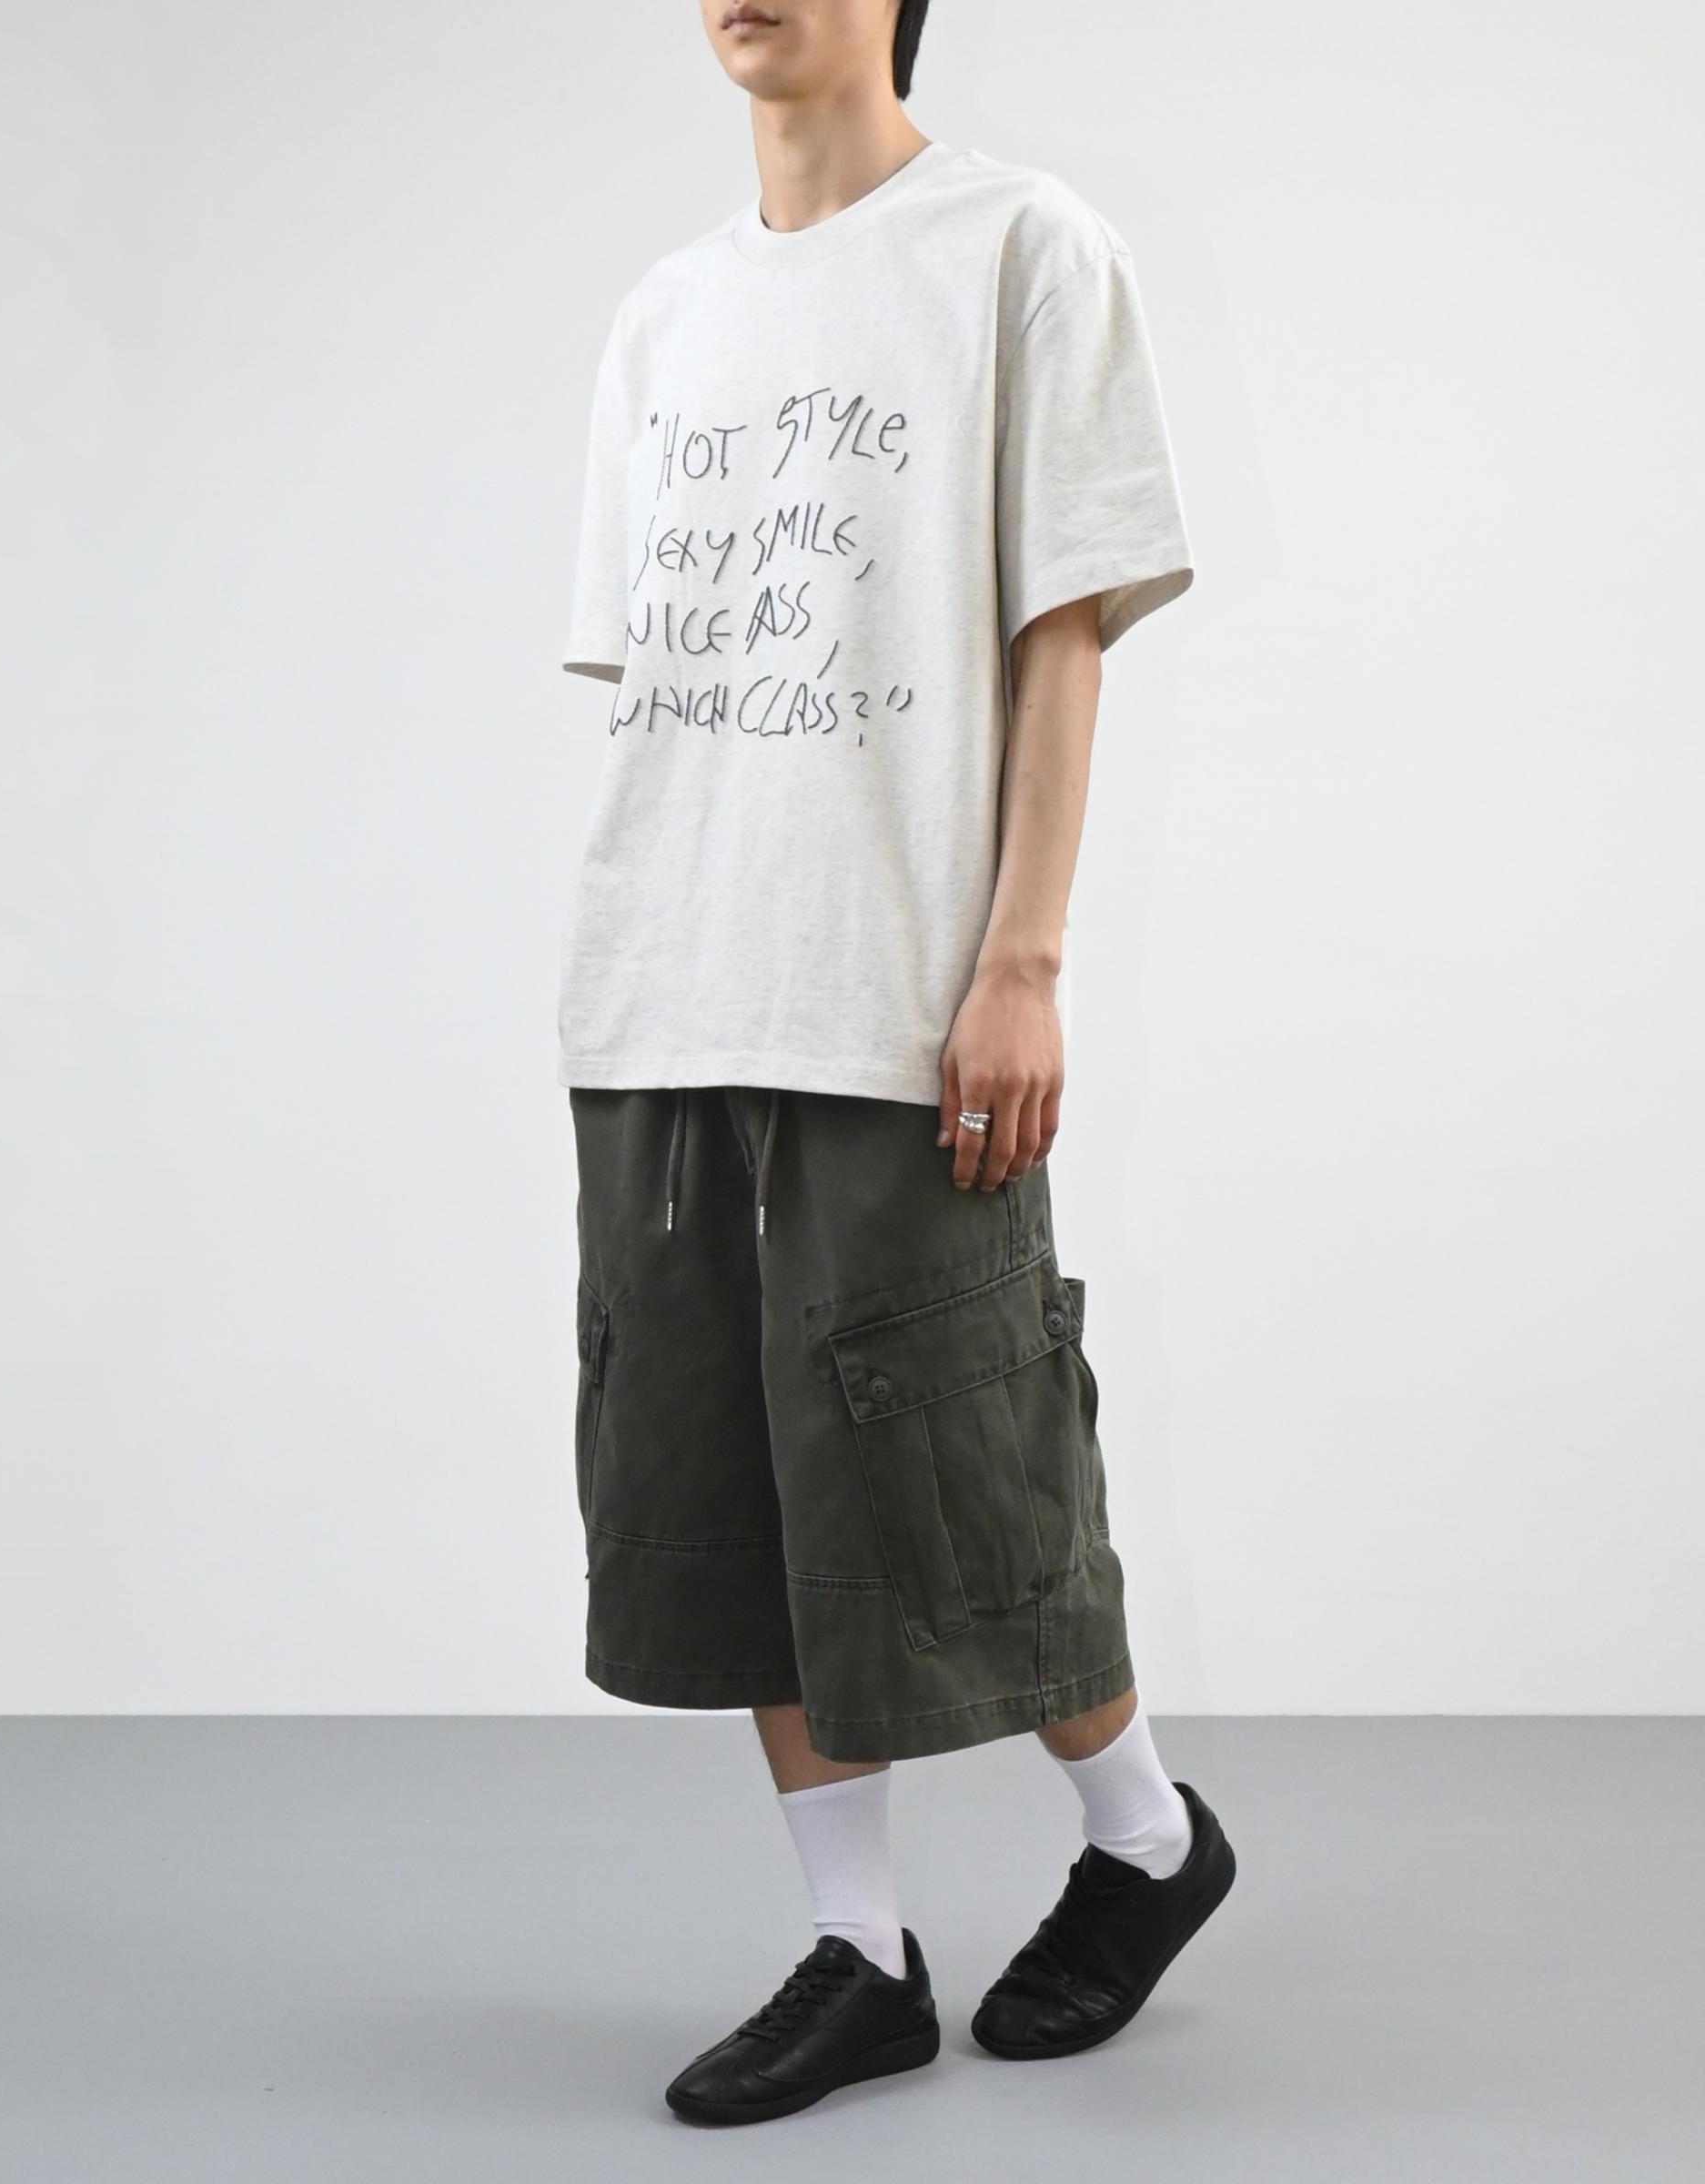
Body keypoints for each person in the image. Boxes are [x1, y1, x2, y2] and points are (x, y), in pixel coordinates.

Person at [558, 0, 1235, 2126]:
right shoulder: (664, 315)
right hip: (668, 990)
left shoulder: (1022, 248)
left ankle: (1147, 1837)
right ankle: (859, 1950)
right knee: (731, 1490)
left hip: (898, 990)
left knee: (964, 1465)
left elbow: (1063, 627)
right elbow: (658, 693)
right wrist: (639, 970)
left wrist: (1021, 956)